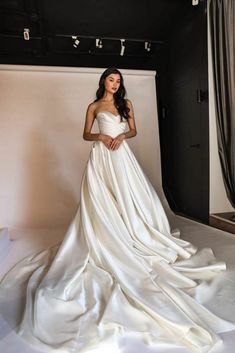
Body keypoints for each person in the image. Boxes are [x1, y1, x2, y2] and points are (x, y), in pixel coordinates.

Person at [0, 67, 234, 353]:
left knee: (128, 199)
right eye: (111, 79)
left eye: (119, 80)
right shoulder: (94, 106)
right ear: (103, 82)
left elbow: (134, 129)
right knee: (101, 201)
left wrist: (122, 137)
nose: (115, 83)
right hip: (101, 157)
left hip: (121, 156)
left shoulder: (126, 104)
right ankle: (105, 235)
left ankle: (130, 234)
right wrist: (101, 138)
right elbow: (86, 133)